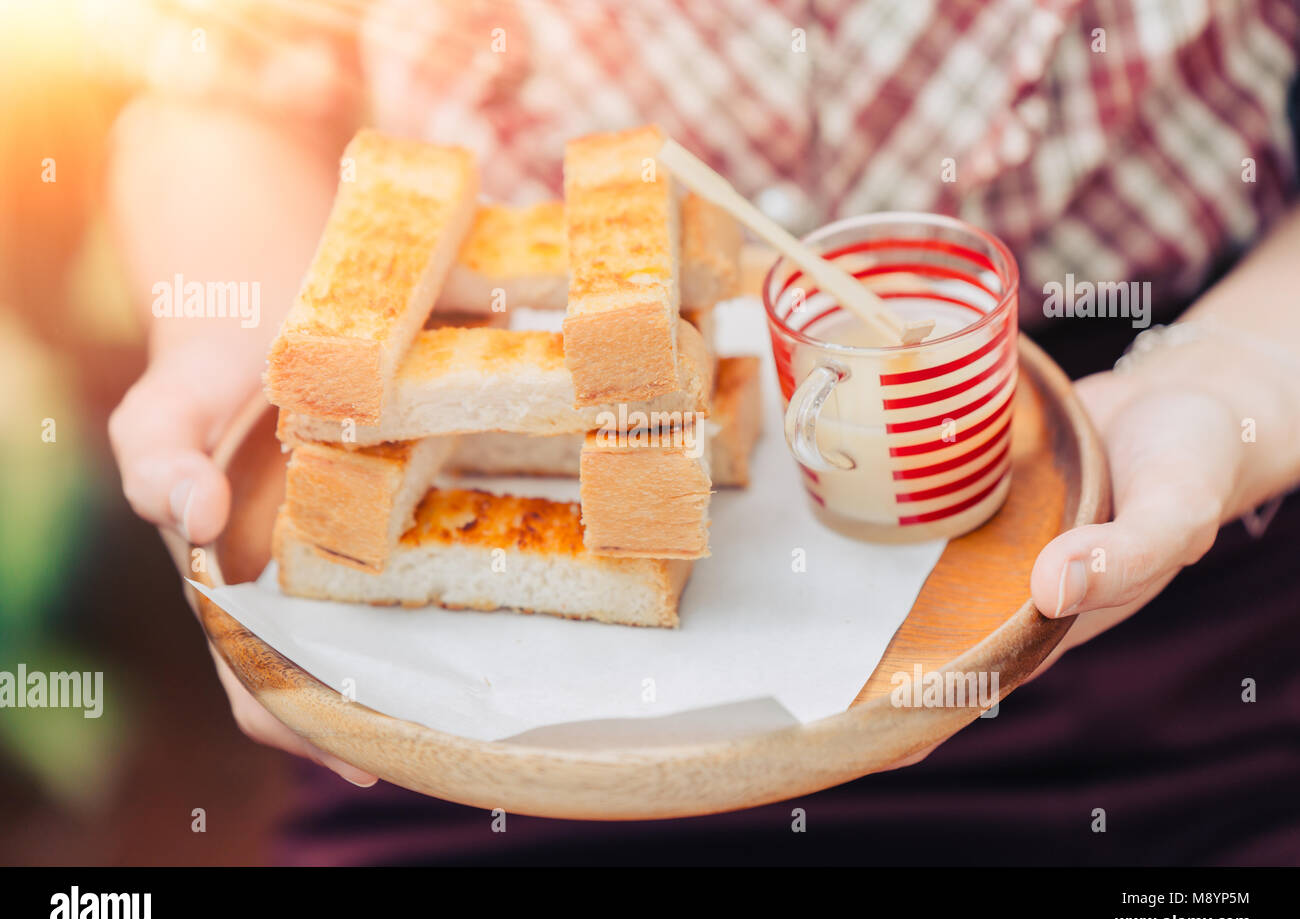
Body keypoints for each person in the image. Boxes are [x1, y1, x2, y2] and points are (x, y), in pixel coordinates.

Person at [108, 0, 1300, 863]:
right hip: (467, 746)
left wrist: (1233, 372)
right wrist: (249, 346)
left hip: (1140, 647)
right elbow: (223, 88)